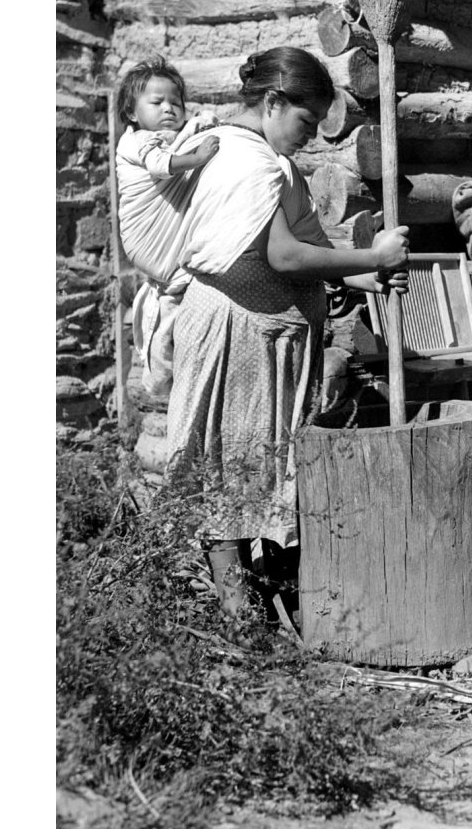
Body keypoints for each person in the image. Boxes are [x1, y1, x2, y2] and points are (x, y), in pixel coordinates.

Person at [165, 46, 410, 622]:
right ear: (274, 102)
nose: (311, 136)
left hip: (260, 333)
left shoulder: (266, 160)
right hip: (236, 331)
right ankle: (237, 612)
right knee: (229, 465)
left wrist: (370, 275)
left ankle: (262, 600)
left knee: (260, 463)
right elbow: (283, 255)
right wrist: (371, 251)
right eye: (305, 120)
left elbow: (312, 253)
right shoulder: (247, 162)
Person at [114, 56, 221, 397]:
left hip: (164, 243)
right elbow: (162, 166)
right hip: (145, 236)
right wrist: (199, 157)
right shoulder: (137, 140)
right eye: (157, 102)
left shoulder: (166, 138)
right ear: (132, 112)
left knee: (175, 296)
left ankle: (165, 371)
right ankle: (160, 372)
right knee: (177, 288)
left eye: (176, 102)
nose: (169, 109)